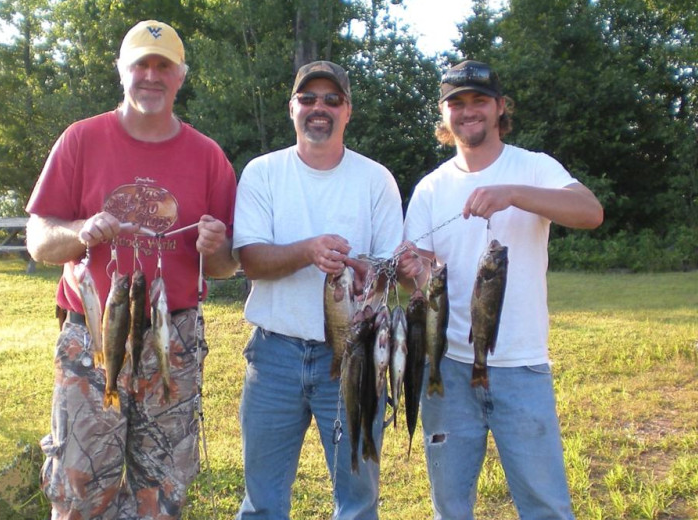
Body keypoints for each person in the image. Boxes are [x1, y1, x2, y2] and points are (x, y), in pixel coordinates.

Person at [25, 20, 238, 520]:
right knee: (79, 491)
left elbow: (226, 267)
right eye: (140, 63)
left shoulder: (210, 158)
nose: (151, 75)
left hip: (173, 340)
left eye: (163, 65)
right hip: (93, 339)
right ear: (121, 71)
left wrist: (218, 244)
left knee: (161, 494)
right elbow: (37, 241)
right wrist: (80, 230)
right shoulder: (80, 140)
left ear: (180, 77)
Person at [399, 60, 604, 520]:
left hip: (522, 366)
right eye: (457, 102)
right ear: (444, 112)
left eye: (479, 101)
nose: (468, 111)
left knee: (546, 506)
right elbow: (421, 271)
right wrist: (413, 268)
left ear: (499, 108)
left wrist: (512, 193)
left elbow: (590, 212)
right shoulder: (431, 187)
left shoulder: (533, 167)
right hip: (447, 367)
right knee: (450, 507)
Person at [232, 61, 405, 519]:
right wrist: (308, 250)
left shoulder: (376, 179)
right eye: (308, 99)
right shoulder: (262, 173)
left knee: (357, 499)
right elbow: (250, 259)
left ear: (348, 111)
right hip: (274, 357)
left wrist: (368, 272)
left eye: (332, 99)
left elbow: (391, 269)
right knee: (262, 501)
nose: (319, 108)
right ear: (292, 108)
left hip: (356, 355)